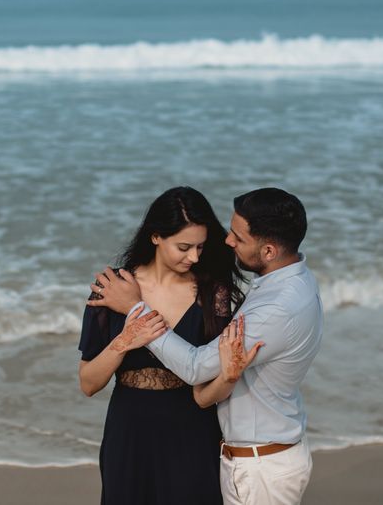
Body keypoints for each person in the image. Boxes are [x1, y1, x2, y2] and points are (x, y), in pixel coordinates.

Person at [90, 187, 323, 505]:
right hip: (240, 453)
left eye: (239, 238)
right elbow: (89, 381)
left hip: (256, 465)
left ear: (268, 251)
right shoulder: (290, 282)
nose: (227, 242)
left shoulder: (274, 306)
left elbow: (196, 368)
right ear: (155, 236)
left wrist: (135, 311)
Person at [78, 186, 245, 505]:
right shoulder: (113, 288)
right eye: (184, 247)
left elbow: (213, 385)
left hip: (194, 431)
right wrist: (125, 341)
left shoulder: (215, 293)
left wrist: (230, 376)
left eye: (200, 246)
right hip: (129, 431)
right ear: (155, 236)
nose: (194, 257)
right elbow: (88, 383)